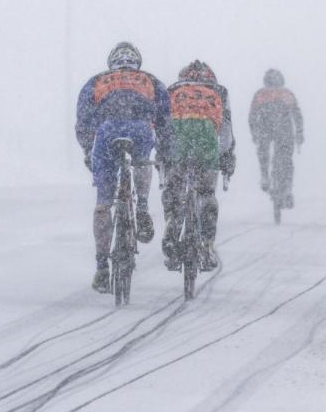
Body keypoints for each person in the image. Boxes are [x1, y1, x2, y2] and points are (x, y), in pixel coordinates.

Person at [76, 42, 171, 293]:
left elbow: (83, 118)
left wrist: (87, 148)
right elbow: (165, 120)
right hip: (140, 128)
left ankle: (102, 267)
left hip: (107, 132)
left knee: (103, 204)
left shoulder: (97, 81)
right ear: (137, 63)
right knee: (142, 160)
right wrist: (164, 150)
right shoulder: (150, 80)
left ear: (112, 64)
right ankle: (141, 207)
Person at [160, 60, 235, 272]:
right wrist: (225, 157)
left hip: (178, 133)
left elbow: (163, 123)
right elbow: (227, 130)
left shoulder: (173, 89)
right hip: (206, 136)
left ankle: (172, 226)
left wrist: (163, 157)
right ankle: (207, 245)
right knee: (207, 193)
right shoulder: (219, 92)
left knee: (173, 189)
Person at [248, 69, 304, 209]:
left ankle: (265, 177)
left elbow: (252, 116)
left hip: (265, 128)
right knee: (287, 160)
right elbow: (297, 114)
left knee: (263, 152)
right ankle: (288, 190)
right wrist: (299, 132)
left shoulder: (260, 93)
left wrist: (254, 133)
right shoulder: (287, 93)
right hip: (285, 130)